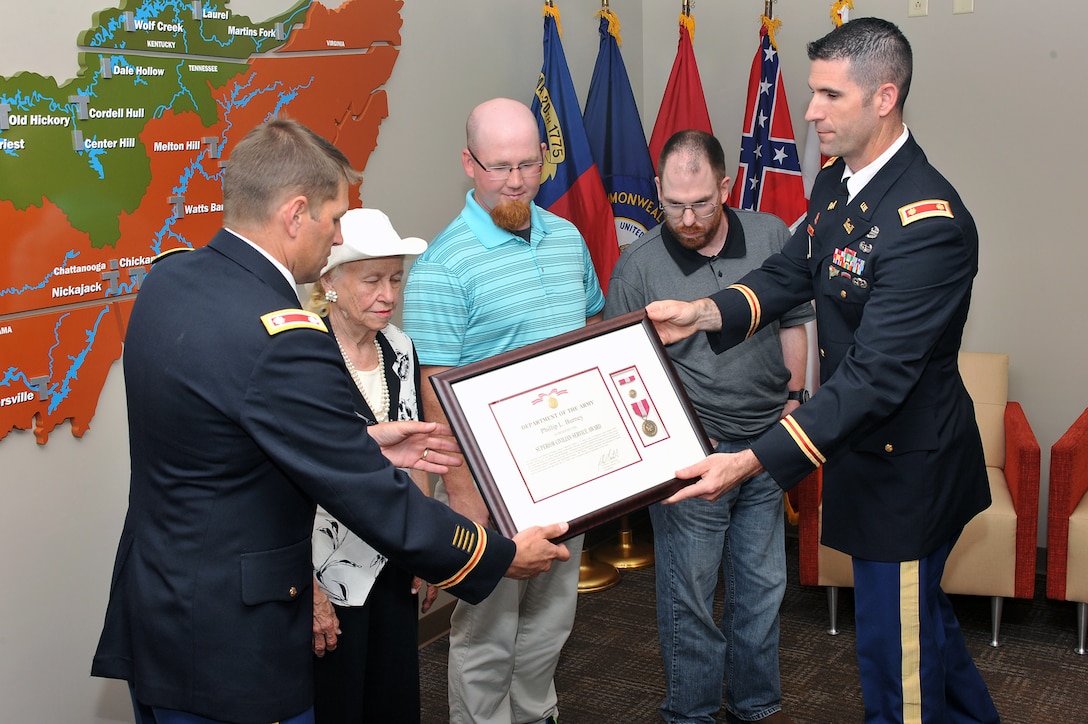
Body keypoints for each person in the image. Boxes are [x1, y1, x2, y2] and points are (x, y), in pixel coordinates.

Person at [90, 117, 571, 724]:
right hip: (236, 648)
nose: (338, 233)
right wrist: (494, 555)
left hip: (160, 614)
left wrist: (365, 442)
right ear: (295, 214)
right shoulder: (281, 335)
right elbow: (365, 496)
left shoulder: (169, 281)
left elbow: (227, 439)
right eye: (335, 217)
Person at [645, 18, 999, 724]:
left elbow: (874, 379)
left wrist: (752, 461)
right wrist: (704, 314)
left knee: (896, 669)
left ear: (883, 97)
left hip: (908, 474)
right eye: (812, 92)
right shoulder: (841, 182)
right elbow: (790, 272)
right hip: (867, 453)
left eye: (829, 95)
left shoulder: (926, 222)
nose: (810, 111)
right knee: (922, 632)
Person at [401, 97, 605, 724]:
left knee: (552, 614)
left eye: (528, 163)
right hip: (489, 485)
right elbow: (434, 394)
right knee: (488, 628)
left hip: (567, 465)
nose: (516, 180)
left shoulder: (568, 238)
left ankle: (536, 711)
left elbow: (593, 325)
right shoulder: (442, 267)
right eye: (498, 167)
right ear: (469, 163)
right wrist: (461, 494)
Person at [605, 129, 811, 724]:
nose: (688, 218)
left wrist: (794, 404)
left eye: (701, 202)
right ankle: (691, 714)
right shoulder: (638, 265)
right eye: (673, 204)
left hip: (770, 444)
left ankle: (755, 705)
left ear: (725, 187)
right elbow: (626, 370)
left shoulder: (772, 234)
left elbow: (796, 319)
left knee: (763, 589)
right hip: (695, 454)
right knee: (688, 597)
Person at [304, 207, 433, 722]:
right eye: (373, 280)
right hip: (325, 571)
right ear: (330, 280)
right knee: (337, 705)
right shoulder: (301, 353)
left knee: (395, 700)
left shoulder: (399, 346)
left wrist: (427, 548)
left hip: (396, 557)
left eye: (396, 279)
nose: (389, 295)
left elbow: (418, 448)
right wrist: (306, 589)